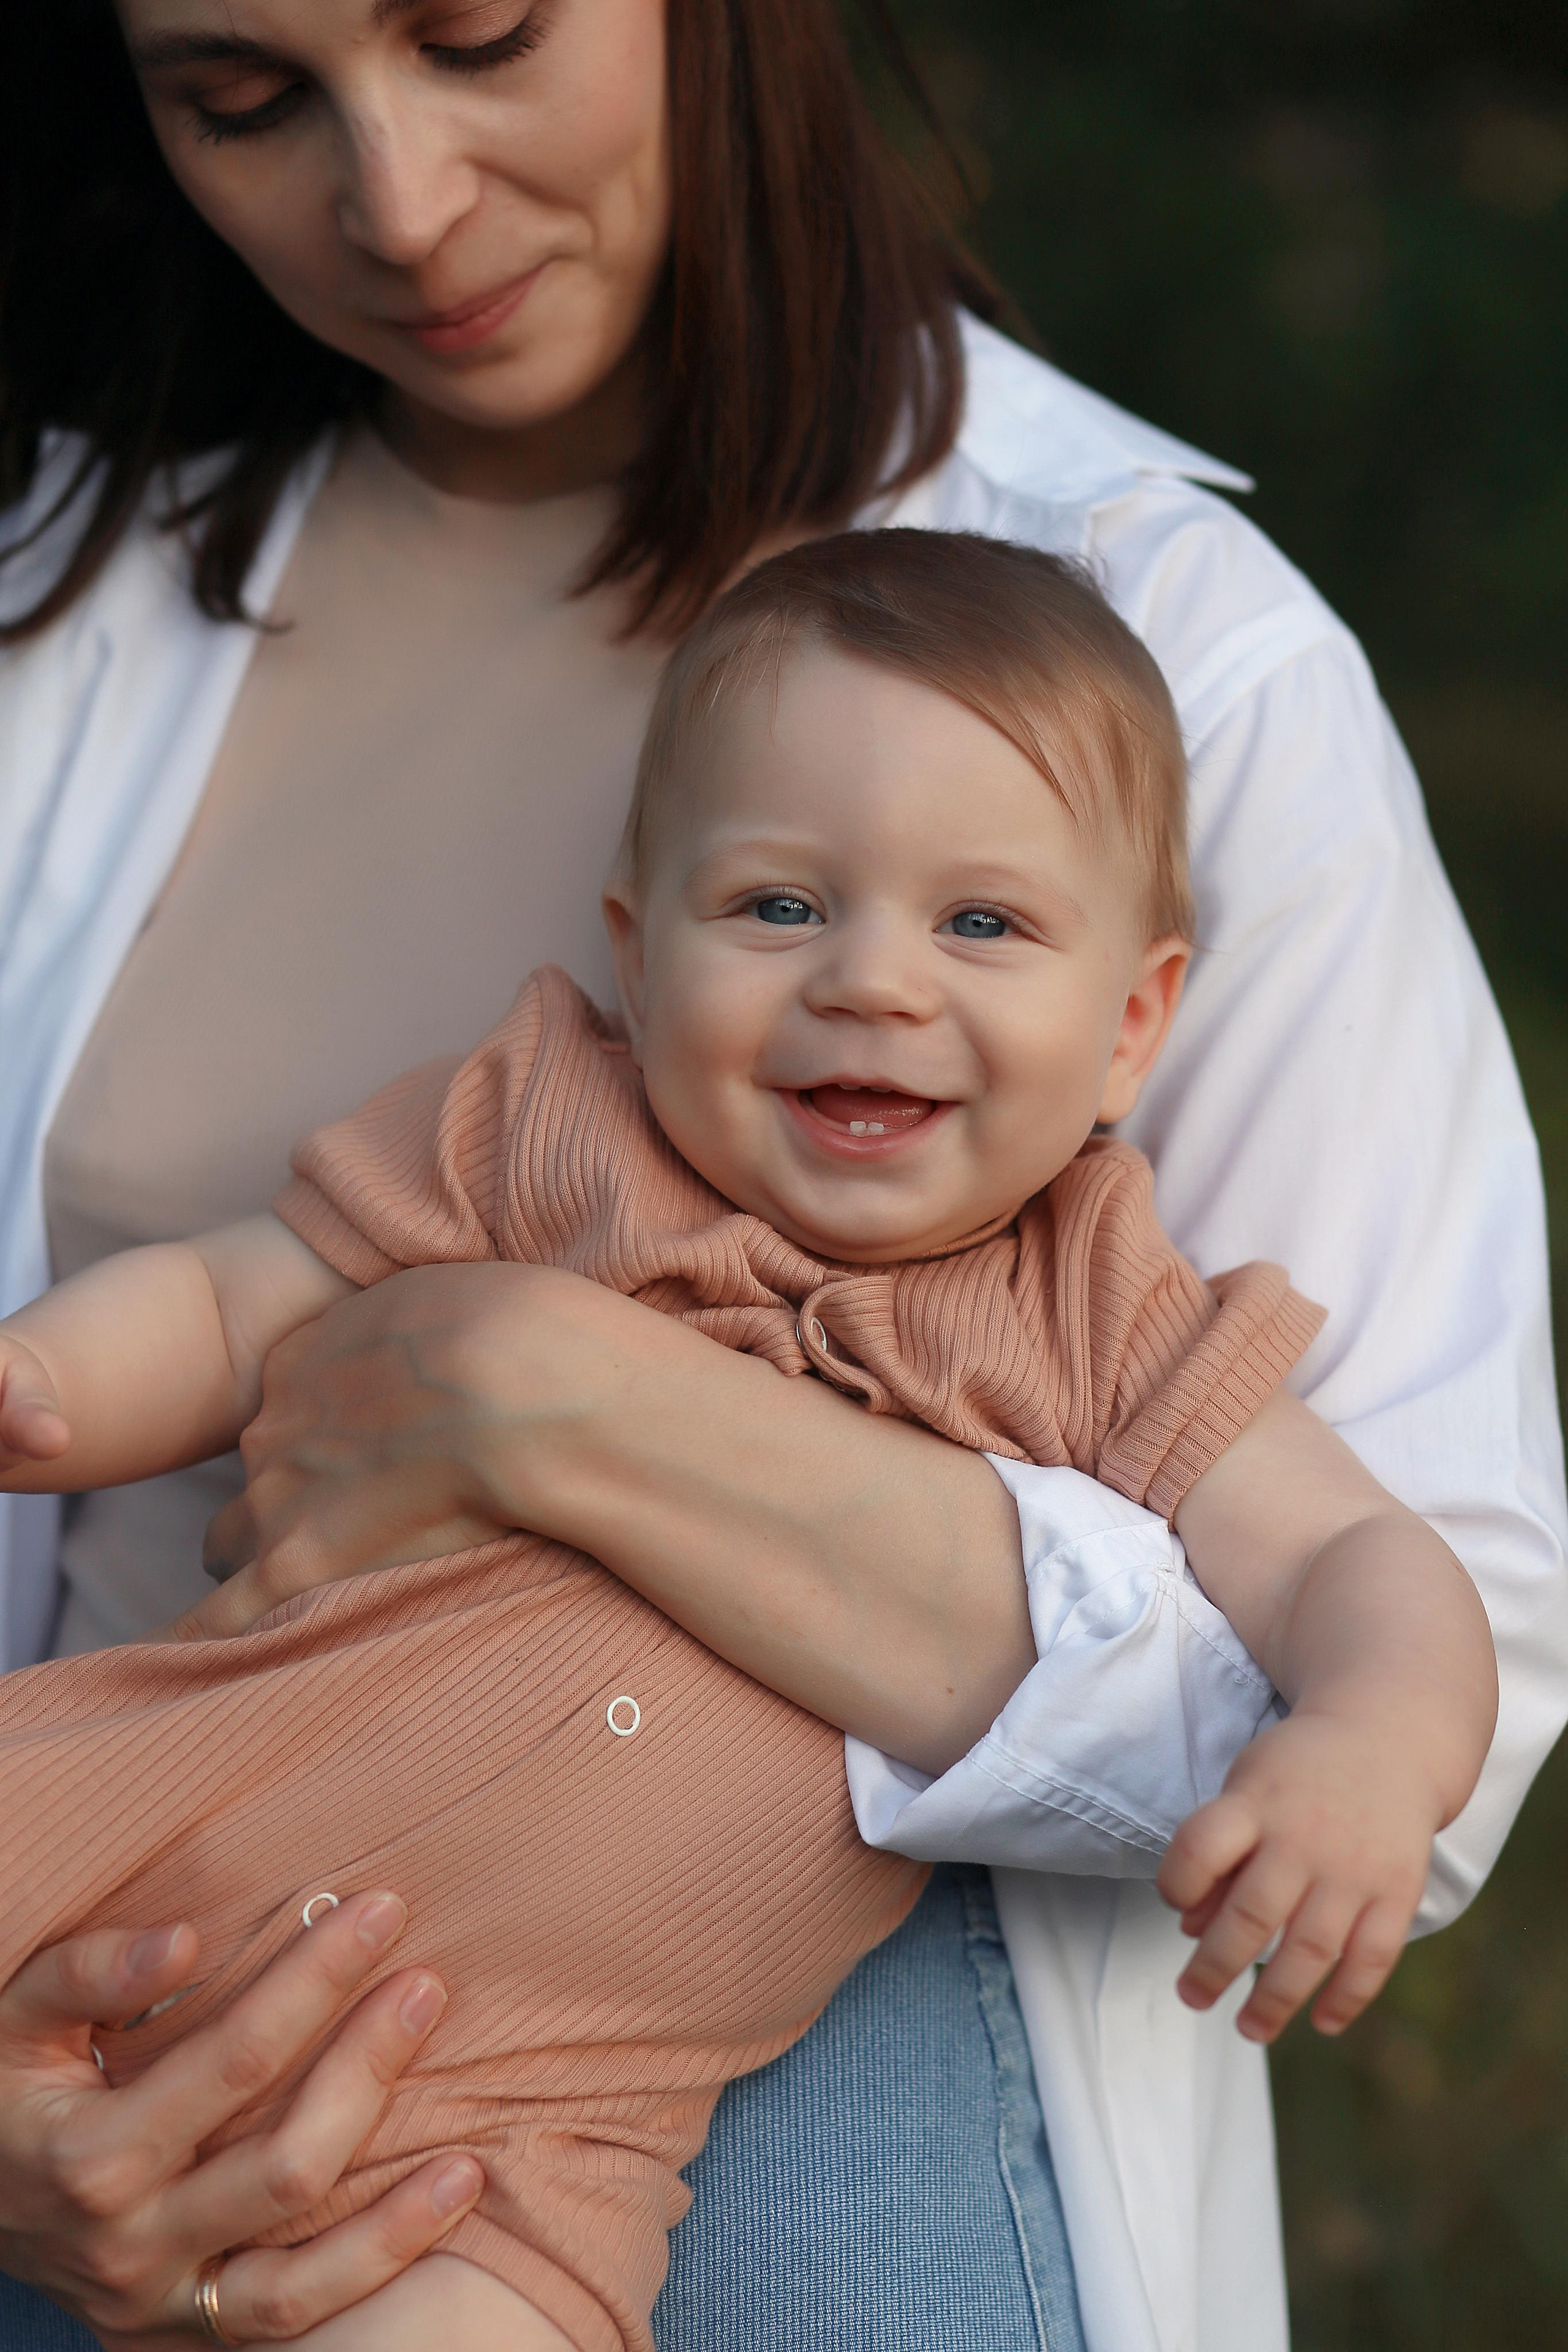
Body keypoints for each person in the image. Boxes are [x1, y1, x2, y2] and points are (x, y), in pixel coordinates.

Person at [0, 1, 1562, 2347]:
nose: (398, 201)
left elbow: (1433, 1669)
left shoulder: (1161, 650)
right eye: (245, 101)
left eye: (482, 32)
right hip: (126, 1941)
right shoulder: (61, 598)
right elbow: (177, 1329)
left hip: (734, 2083)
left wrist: (562, 1398)